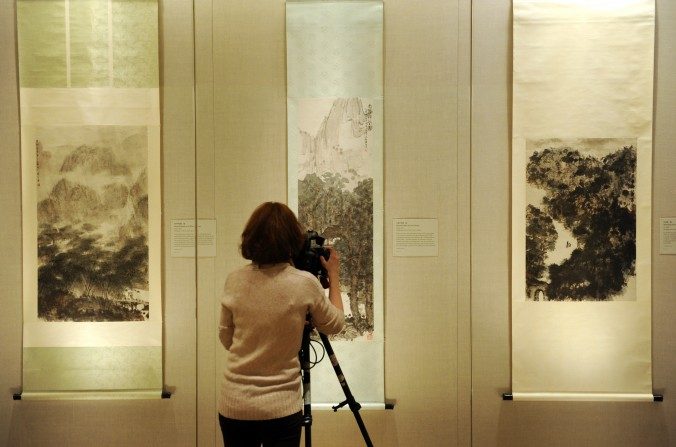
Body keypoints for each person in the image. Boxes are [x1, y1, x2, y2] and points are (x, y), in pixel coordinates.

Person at [218, 202, 345, 447]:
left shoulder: (234, 280)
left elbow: (226, 338)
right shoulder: (303, 283)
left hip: (235, 404)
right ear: (291, 240)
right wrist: (334, 276)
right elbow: (335, 324)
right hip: (280, 407)